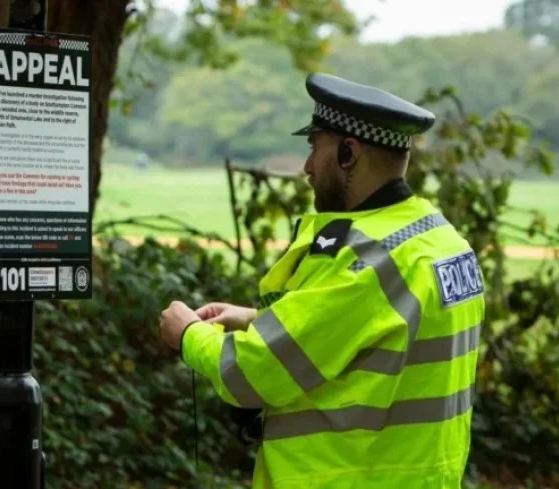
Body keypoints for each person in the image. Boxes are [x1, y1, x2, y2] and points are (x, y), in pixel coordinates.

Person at [159, 72, 485, 489]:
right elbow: (369, 333)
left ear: (349, 152)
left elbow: (255, 372)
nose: (308, 167)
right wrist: (258, 320)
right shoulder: (441, 240)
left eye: (315, 148)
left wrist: (188, 334)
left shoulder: (365, 261)